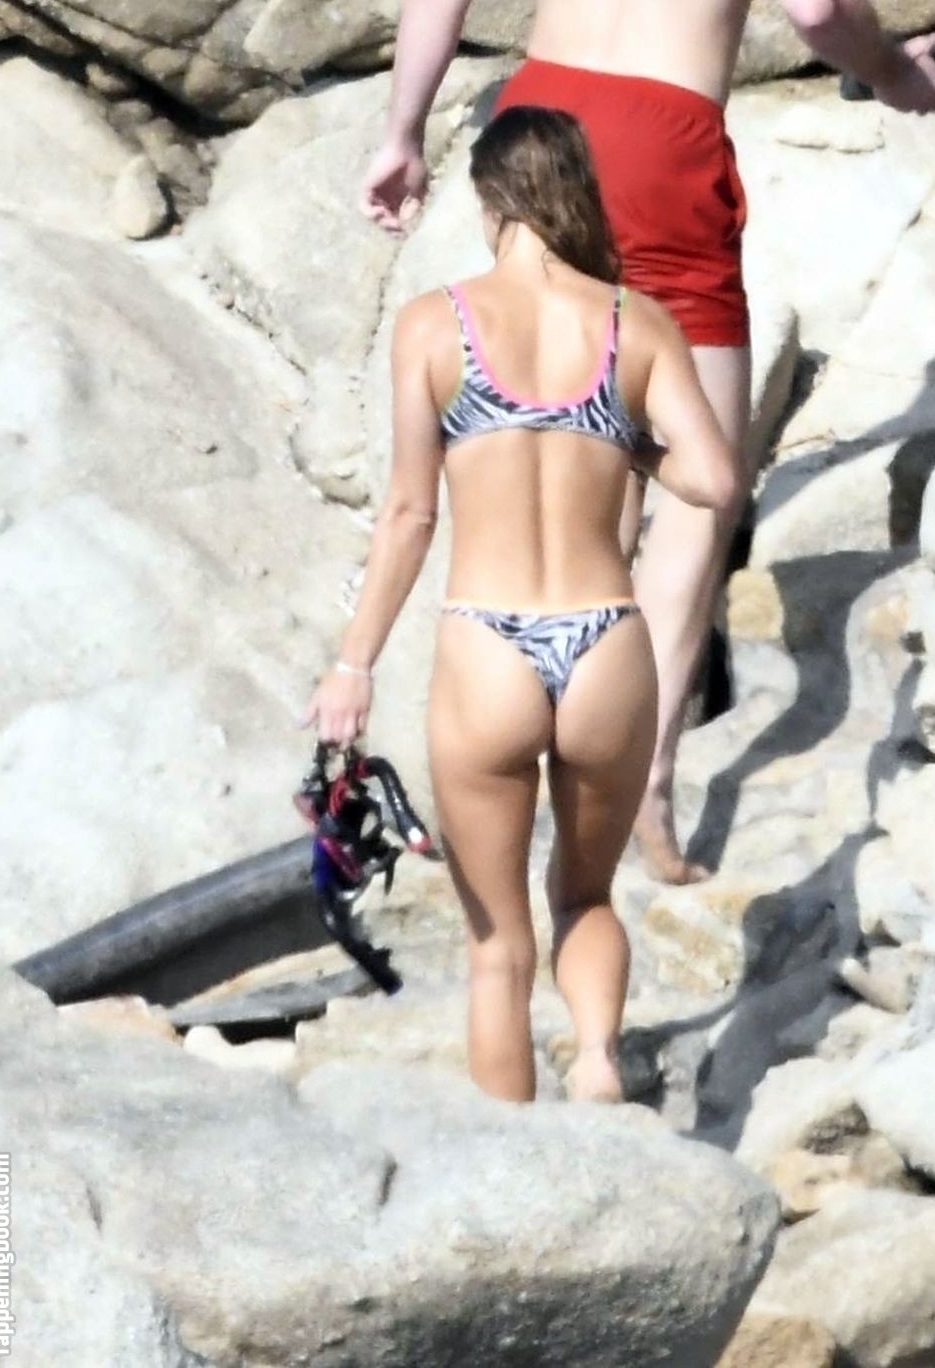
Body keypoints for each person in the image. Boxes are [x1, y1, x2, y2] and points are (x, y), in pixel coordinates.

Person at [360, 0, 935, 883]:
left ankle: (504, 747)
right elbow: (813, 1)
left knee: (561, 445)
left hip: (537, 127)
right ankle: (647, 785)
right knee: (699, 486)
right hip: (662, 140)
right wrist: (899, 74)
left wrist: (401, 137)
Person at [307, 106, 738, 1103]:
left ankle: (516, 1162)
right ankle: (597, 1061)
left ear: (491, 200)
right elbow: (715, 480)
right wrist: (629, 445)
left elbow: (411, 514)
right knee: (585, 894)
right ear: (576, 190)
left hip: (488, 647)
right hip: (603, 642)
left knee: (497, 946)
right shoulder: (634, 322)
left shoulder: (436, 324)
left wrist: (353, 664)